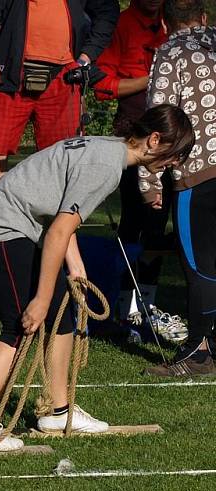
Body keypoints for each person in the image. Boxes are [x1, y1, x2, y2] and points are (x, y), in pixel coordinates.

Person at [0, 104, 194, 451]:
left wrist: (75, 266)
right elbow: (57, 232)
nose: (176, 163)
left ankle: (57, 410)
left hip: (20, 225)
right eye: (176, 154)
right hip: (0, 226)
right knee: (21, 325)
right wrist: (40, 298)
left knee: (61, 319)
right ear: (155, 140)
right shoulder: (107, 166)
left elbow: (62, 214)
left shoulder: (108, 149)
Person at [93, 0, 177, 341]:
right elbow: (104, 86)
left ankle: (148, 306)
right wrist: (151, 78)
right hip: (135, 135)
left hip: (174, 137)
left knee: (161, 221)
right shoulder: (122, 24)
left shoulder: (175, 25)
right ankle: (123, 304)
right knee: (134, 220)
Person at [0, 0, 119, 192]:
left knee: (61, 156)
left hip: (64, 77)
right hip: (8, 74)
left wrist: (87, 56)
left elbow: (107, 11)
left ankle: (55, 222)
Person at [143, 0, 216, 376]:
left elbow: (159, 118)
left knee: (199, 266)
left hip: (198, 171)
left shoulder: (170, 52)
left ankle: (197, 352)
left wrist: (148, 180)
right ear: (203, 18)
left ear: (166, 24)